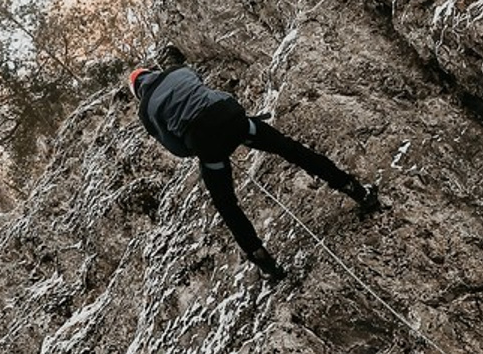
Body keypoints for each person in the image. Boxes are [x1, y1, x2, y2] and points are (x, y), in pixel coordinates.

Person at [126, 46, 380, 281]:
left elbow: (176, 148)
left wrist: (199, 146)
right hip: (233, 117)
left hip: (205, 143)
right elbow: (203, 91)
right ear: (151, 72)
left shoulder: (146, 110)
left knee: (227, 205)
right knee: (291, 149)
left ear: (138, 92)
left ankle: (263, 260)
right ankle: (354, 188)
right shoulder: (179, 71)